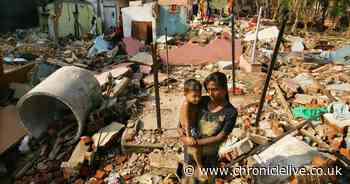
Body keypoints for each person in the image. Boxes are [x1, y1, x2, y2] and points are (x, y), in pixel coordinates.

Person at [179, 72, 238, 183]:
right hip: (191, 154)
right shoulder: (202, 101)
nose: (210, 93)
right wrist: (183, 137)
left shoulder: (230, 112)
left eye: (214, 89)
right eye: (208, 89)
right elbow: (182, 121)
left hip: (209, 158)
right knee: (189, 180)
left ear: (224, 89)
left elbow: (219, 137)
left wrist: (195, 142)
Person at [178, 79, 205, 180]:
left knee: (198, 147)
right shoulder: (186, 105)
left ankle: (196, 162)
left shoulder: (194, 103)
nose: (197, 99)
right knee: (195, 148)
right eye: (194, 96)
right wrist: (188, 137)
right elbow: (186, 123)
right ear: (185, 94)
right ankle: (199, 165)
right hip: (189, 129)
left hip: (194, 127)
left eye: (199, 95)